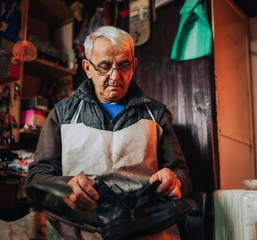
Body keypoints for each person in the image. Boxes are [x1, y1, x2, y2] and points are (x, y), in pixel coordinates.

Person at [27, 25, 191, 239]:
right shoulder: (62, 114)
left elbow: (182, 174)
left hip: (142, 227)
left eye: (123, 66)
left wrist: (175, 181)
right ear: (87, 68)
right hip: (75, 228)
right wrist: (66, 188)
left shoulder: (156, 115)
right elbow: (36, 179)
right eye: (104, 66)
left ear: (134, 65)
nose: (115, 77)